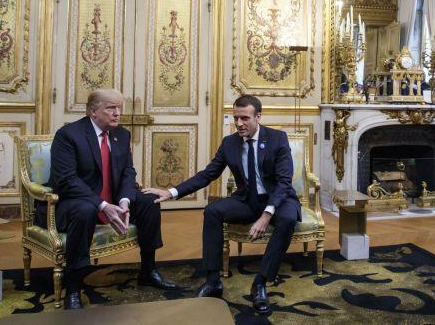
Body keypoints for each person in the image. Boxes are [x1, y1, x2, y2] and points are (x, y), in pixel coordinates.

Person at [143, 95, 300, 315]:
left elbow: (284, 182)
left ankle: (260, 283)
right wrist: (172, 192)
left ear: (258, 117)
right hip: (248, 199)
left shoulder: (277, 138)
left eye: (245, 118)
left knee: (288, 219)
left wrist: (266, 216)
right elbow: (208, 174)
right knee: (212, 211)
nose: (239, 124)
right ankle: (213, 281)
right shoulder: (229, 143)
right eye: (236, 118)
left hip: (279, 199)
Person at [35, 89, 177, 309]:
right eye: (111, 108)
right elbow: (67, 180)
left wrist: (124, 201)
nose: (117, 113)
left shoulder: (121, 135)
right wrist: (102, 205)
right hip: (73, 201)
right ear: (93, 111)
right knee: (86, 210)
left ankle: (148, 270)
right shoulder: (68, 135)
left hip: (112, 198)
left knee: (149, 201)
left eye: (119, 108)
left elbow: (128, 172)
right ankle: (73, 287)